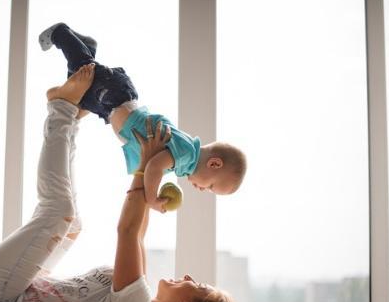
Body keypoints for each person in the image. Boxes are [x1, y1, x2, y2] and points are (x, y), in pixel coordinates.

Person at [0, 64, 250, 302]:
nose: (189, 276)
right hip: (10, 294)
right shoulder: (139, 298)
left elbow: (126, 230)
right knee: (71, 224)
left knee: (59, 212)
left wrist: (146, 166)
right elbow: (138, 236)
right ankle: (68, 117)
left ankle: (61, 108)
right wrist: (151, 184)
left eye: (197, 285)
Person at [38, 22, 248, 213]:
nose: (203, 190)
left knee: (76, 98)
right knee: (82, 70)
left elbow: (153, 165)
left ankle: (87, 47)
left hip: (112, 104)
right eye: (210, 186)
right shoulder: (185, 155)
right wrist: (151, 199)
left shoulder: (183, 157)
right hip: (113, 96)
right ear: (214, 164)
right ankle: (61, 34)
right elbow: (153, 167)